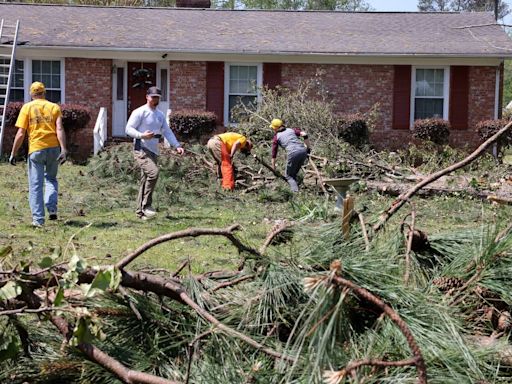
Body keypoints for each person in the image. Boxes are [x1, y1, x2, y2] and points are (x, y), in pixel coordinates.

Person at [9, 81, 68, 228]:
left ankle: (38, 220)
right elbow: (59, 129)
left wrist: (13, 153)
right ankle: (52, 208)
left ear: (31, 93)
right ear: (44, 92)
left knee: (35, 185)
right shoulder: (54, 107)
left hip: (36, 150)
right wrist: (64, 149)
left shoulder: (27, 108)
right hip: (53, 148)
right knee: (51, 179)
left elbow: (21, 133)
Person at [125, 86, 184, 220]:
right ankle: (147, 206)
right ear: (147, 97)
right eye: (153, 97)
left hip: (153, 150)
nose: (155, 99)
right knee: (153, 173)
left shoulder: (159, 114)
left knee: (145, 180)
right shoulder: (140, 112)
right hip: (141, 148)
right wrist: (141, 135)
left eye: (157, 97)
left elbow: (167, 131)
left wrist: (177, 145)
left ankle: (140, 212)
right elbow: (128, 129)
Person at [270, 118, 311, 193]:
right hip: (303, 152)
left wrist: (273, 167)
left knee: (289, 176)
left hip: (293, 153)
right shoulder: (291, 130)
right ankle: (297, 188)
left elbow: (274, 153)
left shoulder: (277, 137)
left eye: (273, 128)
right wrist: (308, 148)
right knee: (293, 174)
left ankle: (296, 194)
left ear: (276, 128)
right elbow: (304, 134)